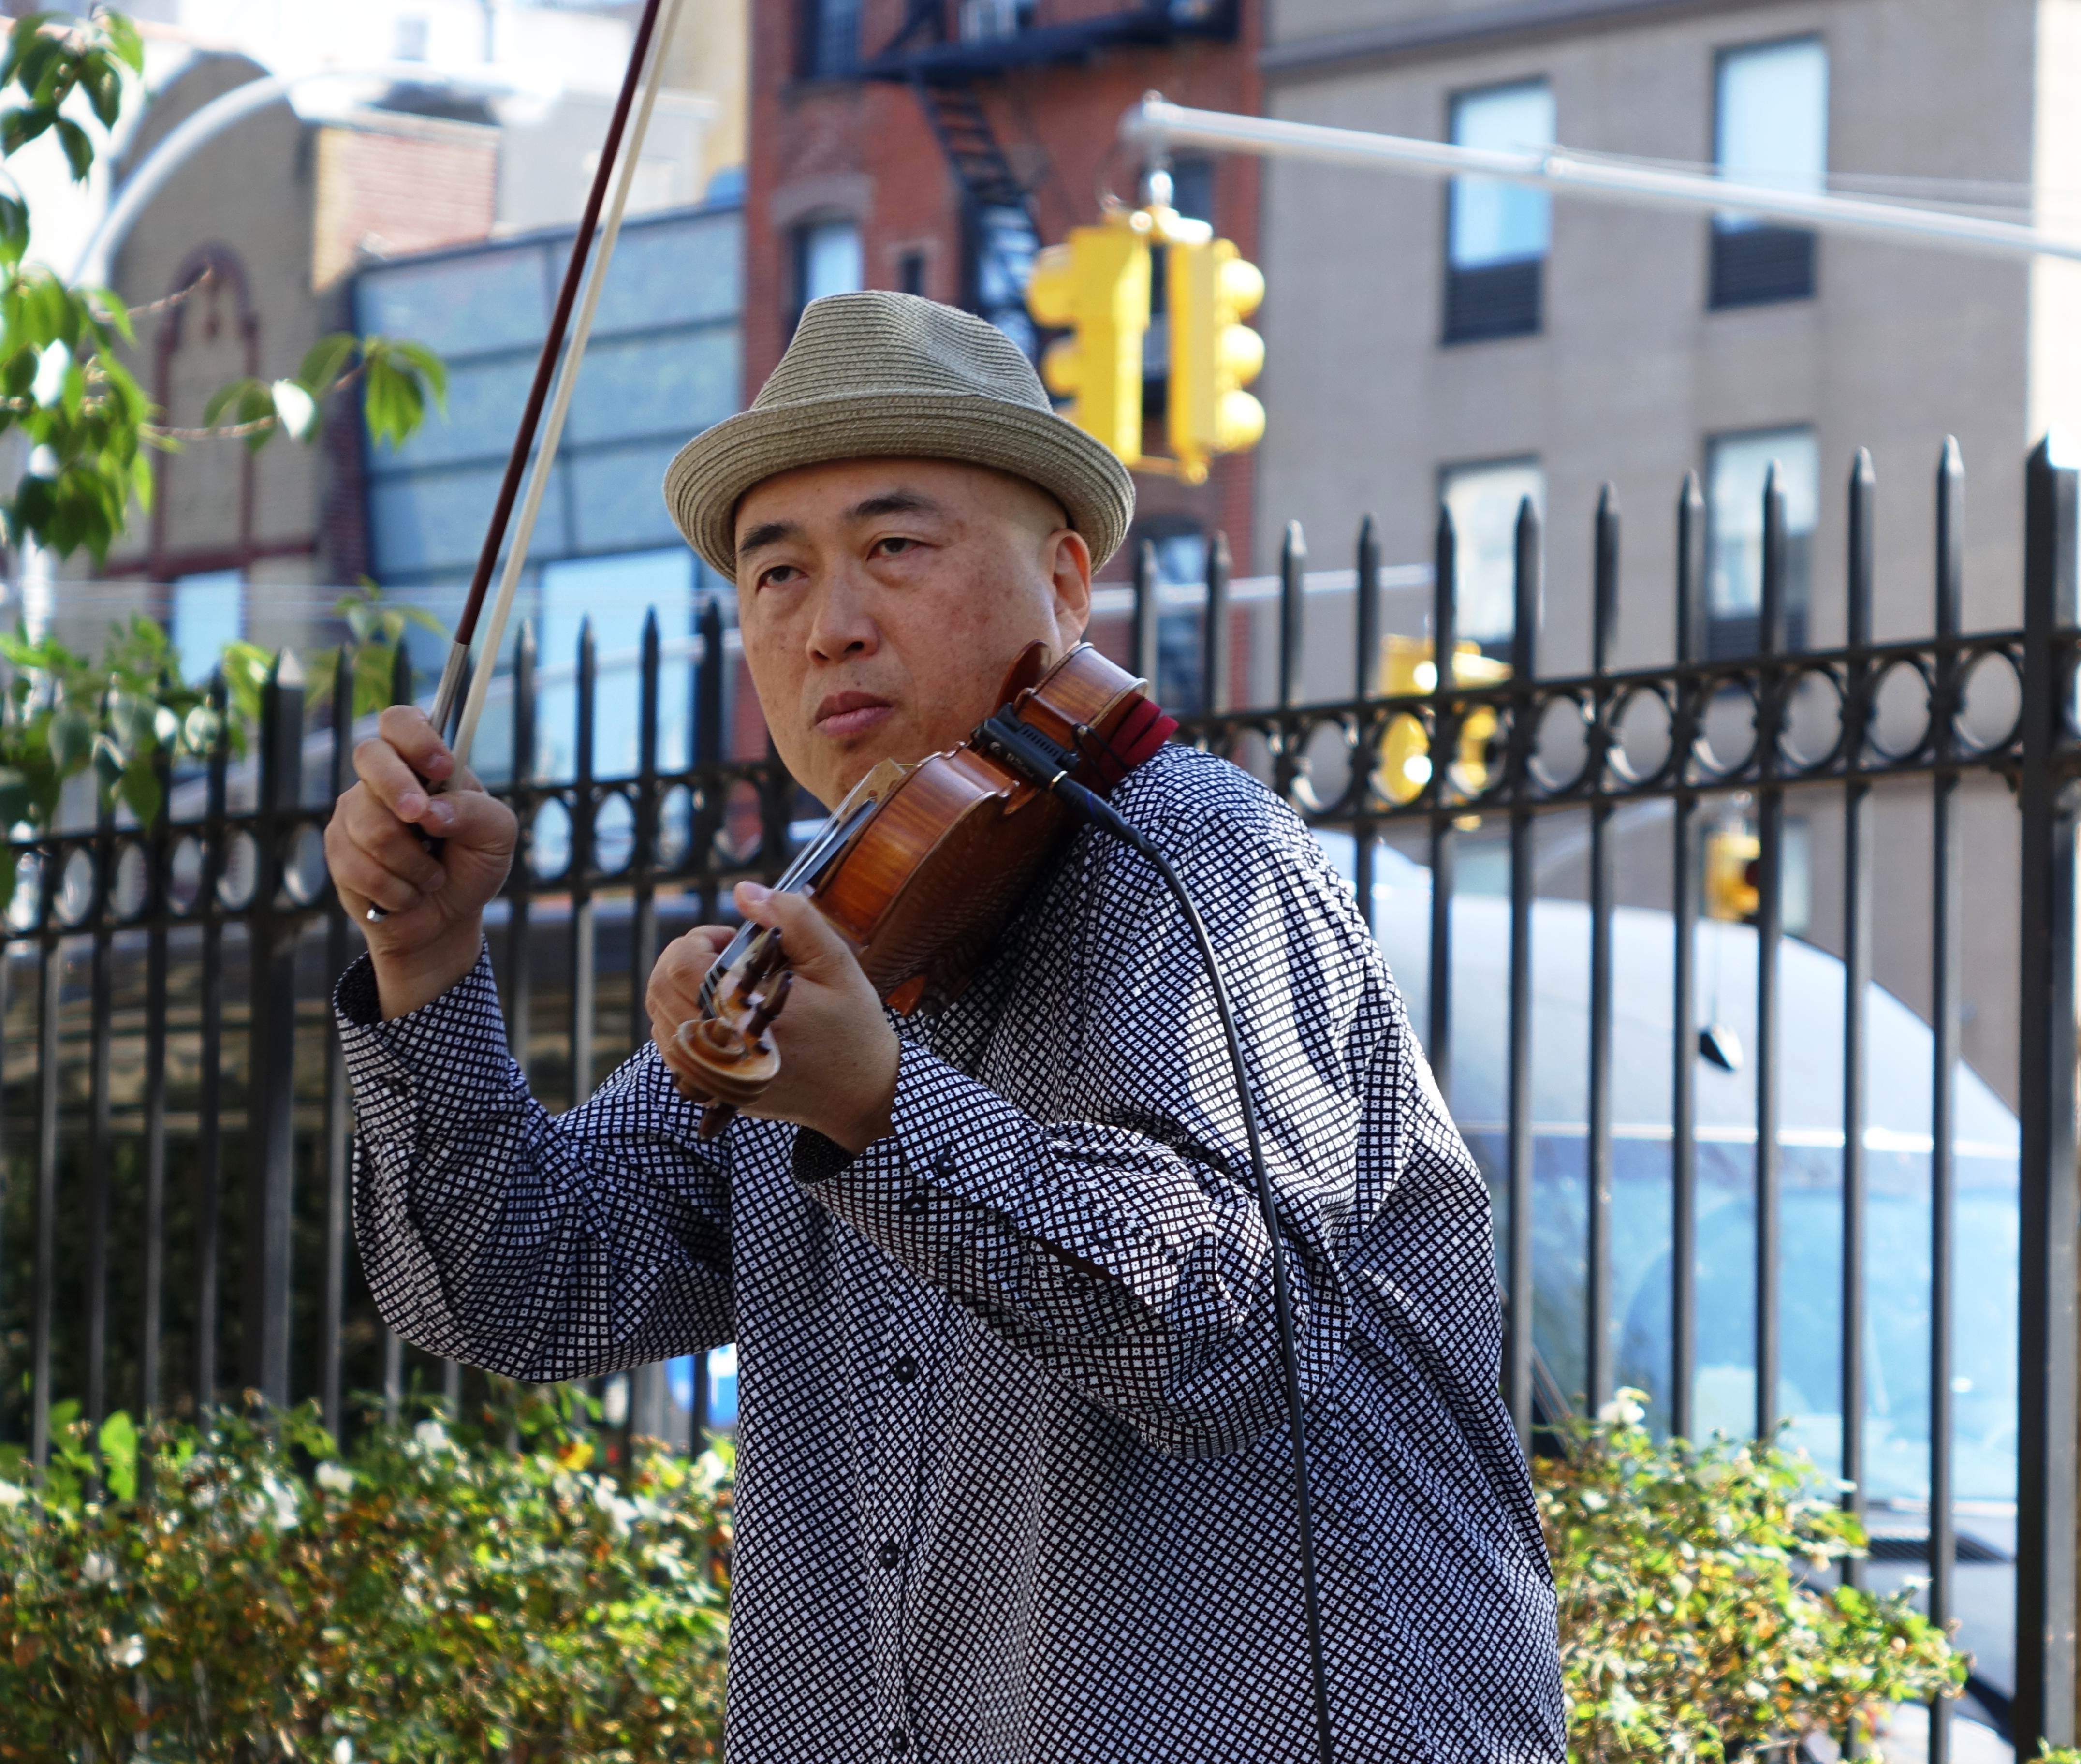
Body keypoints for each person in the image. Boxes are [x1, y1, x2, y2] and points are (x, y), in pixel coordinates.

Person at [324, 290, 1565, 1763]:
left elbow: (1224, 1332)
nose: (831, 625)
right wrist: (426, 948)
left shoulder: (1196, 851)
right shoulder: (815, 920)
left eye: (895, 551)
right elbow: (522, 1289)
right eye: (775, 575)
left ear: (1063, 584)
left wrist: (880, 1111)